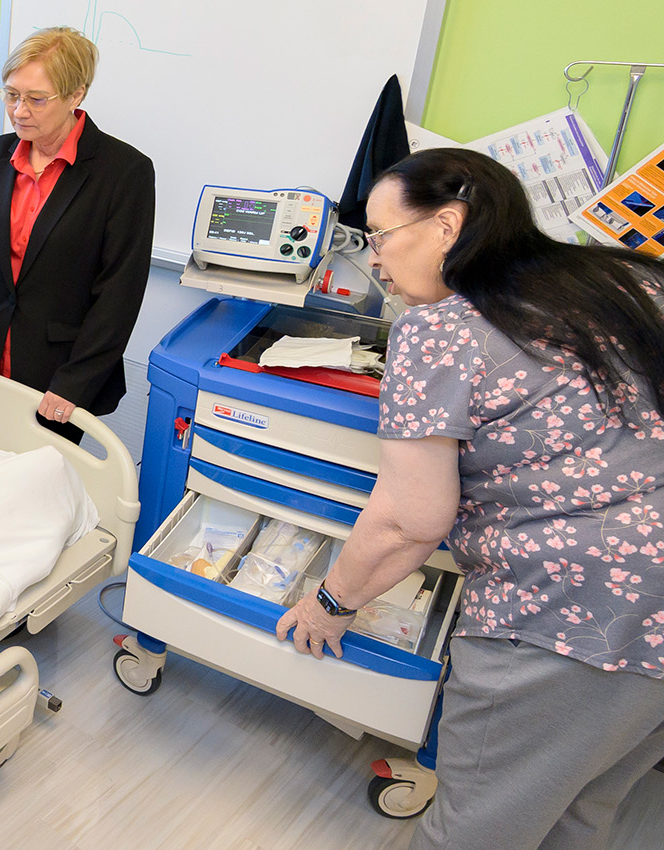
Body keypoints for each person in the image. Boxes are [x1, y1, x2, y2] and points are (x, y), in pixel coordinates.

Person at [274, 148, 664, 850]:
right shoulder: (620, 280)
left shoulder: (442, 331)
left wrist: (328, 602)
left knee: (474, 829)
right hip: (650, 630)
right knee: (580, 809)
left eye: (380, 236)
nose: (376, 261)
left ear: (447, 226)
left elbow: (408, 519)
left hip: (568, 614)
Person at [0, 27, 154, 444]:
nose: (19, 110)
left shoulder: (124, 173)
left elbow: (118, 295)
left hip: (58, 372)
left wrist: (76, 380)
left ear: (76, 96)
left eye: (36, 99)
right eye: (11, 94)